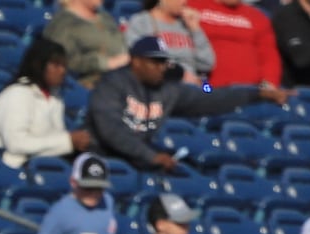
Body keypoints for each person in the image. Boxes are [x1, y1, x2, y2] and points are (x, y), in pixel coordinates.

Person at [88, 35, 287, 172]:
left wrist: (256, 94)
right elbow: (111, 129)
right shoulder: (112, 84)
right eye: (155, 62)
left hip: (136, 160)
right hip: (99, 158)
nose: (161, 68)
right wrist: (150, 156)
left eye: (163, 62)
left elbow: (211, 97)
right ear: (136, 61)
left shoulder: (168, 89)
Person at [0, 38, 90, 170]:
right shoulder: (18, 94)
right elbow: (16, 144)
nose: (62, 71)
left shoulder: (55, 98)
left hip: (45, 167)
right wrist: (68, 141)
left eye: (64, 66)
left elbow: (54, 144)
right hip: (11, 168)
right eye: (56, 65)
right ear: (39, 65)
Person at [187, 0, 282, 88]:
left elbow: (269, 57)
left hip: (250, 93)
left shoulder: (257, 17)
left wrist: (268, 87)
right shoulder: (192, 7)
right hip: (206, 89)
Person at [121, 0, 216, 83]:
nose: (184, 2)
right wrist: (179, 74)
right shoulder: (141, 22)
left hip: (192, 89)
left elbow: (206, 64)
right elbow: (139, 61)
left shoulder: (187, 24)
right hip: (162, 85)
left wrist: (195, 28)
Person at [42, 0, 130, 88]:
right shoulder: (61, 24)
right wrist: (105, 63)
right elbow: (62, 62)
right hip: (89, 86)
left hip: (123, 79)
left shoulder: (106, 17)